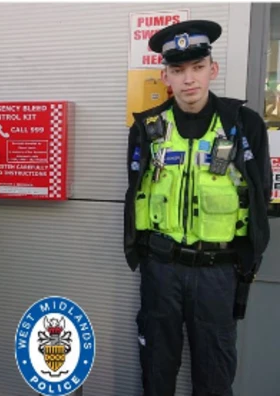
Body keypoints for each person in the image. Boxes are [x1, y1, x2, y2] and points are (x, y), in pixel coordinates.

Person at [124, 20, 272, 396]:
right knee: (157, 369)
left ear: (213, 70)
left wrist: (246, 261)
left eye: (197, 68)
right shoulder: (147, 128)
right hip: (161, 270)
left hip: (218, 275)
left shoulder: (244, 125)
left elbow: (259, 193)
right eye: (178, 71)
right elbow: (136, 190)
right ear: (166, 77)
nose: (189, 79)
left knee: (215, 375)